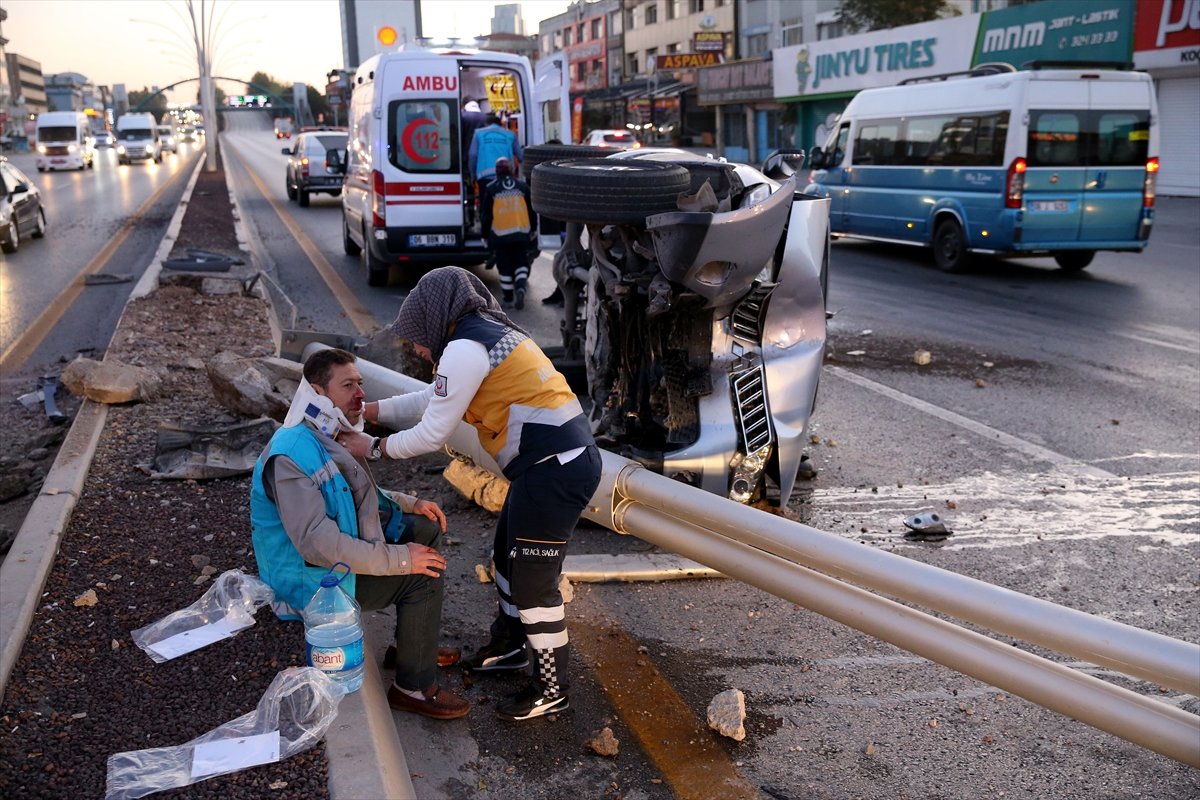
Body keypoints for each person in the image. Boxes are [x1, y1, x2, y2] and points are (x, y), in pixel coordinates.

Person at [342, 267, 602, 722]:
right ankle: (511, 645)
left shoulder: (464, 348)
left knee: (534, 583)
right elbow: (433, 399)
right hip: (548, 466)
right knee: (506, 557)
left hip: (554, 470)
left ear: (434, 316)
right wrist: (375, 410)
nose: (417, 347)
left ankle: (551, 686)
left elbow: (433, 430)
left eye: (416, 334)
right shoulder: (478, 336)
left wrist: (375, 447)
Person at [250, 347, 470, 720]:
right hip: (316, 585)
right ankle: (412, 688)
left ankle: (410, 647)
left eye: (361, 384)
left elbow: (353, 493)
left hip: (334, 565)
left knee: (425, 528)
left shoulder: (325, 431)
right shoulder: (289, 455)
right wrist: (401, 560)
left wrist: (406, 502)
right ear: (318, 393)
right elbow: (318, 544)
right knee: (421, 575)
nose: (360, 395)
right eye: (347, 385)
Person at [480, 157, 535, 309]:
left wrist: (484, 235)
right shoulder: (523, 187)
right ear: (512, 170)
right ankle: (521, 286)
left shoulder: (492, 188)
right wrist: (534, 229)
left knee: (504, 267)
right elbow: (532, 210)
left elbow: (486, 216)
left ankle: (509, 299)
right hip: (521, 234)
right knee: (521, 262)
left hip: (501, 236)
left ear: (496, 172)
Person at [469, 113, 522, 186]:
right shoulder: (510, 134)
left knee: (486, 197)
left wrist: (473, 175)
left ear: (486, 124)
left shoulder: (479, 133)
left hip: (484, 176)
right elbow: (521, 156)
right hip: (506, 175)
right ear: (500, 124)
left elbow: (473, 155)